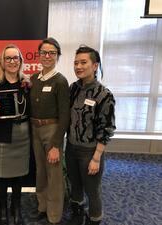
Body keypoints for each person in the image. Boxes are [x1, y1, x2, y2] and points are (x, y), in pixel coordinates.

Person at [65, 46, 116, 225]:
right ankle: (77, 214)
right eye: (76, 63)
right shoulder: (73, 89)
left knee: (92, 190)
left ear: (95, 66)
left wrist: (96, 158)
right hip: (71, 148)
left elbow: (107, 128)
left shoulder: (104, 94)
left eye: (83, 62)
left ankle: (94, 219)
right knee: (75, 185)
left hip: (90, 151)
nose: (78, 66)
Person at [0, 45, 30, 225]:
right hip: (0, 136)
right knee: (1, 176)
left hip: (23, 136)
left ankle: (16, 208)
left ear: (20, 61)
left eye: (15, 58)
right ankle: (3, 209)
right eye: (8, 58)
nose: (12, 62)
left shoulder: (27, 84)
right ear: (2, 62)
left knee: (19, 176)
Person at [30, 37, 70, 224]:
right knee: (40, 171)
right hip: (35, 130)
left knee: (53, 174)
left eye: (52, 53)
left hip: (52, 130)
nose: (47, 56)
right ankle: (42, 207)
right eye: (44, 52)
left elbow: (65, 116)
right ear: (39, 55)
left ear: (57, 56)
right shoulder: (33, 79)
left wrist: (55, 144)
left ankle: (54, 215)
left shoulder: (60, 81)